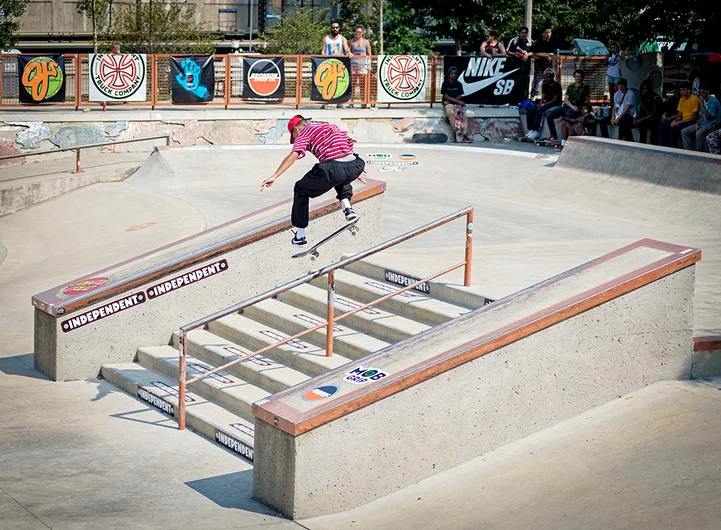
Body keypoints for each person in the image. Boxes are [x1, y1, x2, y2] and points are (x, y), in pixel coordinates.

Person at [260, 115, 367, 246]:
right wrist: (355, 171)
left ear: (296, 129)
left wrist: (275, 175)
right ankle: (348, 208)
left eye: (294, 135)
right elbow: (347, 145)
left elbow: (294, 154)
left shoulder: (303, 133)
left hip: (333, 168)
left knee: (300, 189)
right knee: (339, 174)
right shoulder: (329, 126)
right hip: (355, 164)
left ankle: (300, 236)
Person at [544, 69, 591, 141]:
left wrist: (590, 108)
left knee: (568, 116)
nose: (578, 78)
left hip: (577, 108)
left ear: (582, 77)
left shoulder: (585, 87)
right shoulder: (571, 87)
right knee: (549, 115)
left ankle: (566, 140)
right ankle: (553, 135)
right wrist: (572, 106)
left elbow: (587, 99)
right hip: (568, 106)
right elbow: (566, 99)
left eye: (579, 76)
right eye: (576, 76)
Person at [320, 20, 352, 109]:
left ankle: (339, 102)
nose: (335, 29)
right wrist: (323, 58)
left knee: (339, 83)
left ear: (339, 28)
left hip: (339, 64)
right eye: (333, 27)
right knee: (327, 83)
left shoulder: (342, 38)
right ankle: (326, 102)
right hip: (328, 64)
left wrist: (348, 52)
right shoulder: (326, 39)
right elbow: (323, 50)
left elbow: (346, 48)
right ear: (331, 28)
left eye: (336, 27)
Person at [658, 81, 700, 148]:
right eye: (681, 90)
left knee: (673, 130)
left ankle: (672, 148)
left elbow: (693, 118)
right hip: (682, 120)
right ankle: (663, 147)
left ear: (689, 90)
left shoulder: (694, 99)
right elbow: (679, 115)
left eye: (684, 90)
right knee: (662, 127)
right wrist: (675, 121)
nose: (682, 92)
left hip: (690, 122)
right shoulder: (681, 99)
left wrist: (679, 122)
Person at [524, 68, 562, 140]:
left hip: (554, 103)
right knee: (530, 109)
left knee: (540, 111)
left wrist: (544, 105)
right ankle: (531, 129)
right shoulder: (545, 84)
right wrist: (540, 104)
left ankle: (537, 130)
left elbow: (555, 99)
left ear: (552, 76)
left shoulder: (557, 85)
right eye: (546, 77)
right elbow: (543, 96)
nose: (547, 78)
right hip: (546, 103)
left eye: (549, 77)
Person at [681, 83, 720, 151]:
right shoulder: (703, 100)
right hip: (703, 123)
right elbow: (701, 116)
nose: (701, 94)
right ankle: (688, 151)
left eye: (703, 92)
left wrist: (702, 104)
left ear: (708, 92)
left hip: (712, 124)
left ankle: (700, 153)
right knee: (684, 131)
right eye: (700, 92)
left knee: (699, 133)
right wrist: (697, 123)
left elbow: (708, 117)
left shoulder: (713, 101)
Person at [441, 67, 473, 143]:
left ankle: (464, 134)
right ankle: (457, 132)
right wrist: (456, 101)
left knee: (464, 114)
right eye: (452, 73)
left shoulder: (459, 84)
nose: (453, 75)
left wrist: (454, 101)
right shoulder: (445, 83)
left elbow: (460, 95)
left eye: (455, 73)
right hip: (449, 104)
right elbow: (446, 96)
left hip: (454, 103)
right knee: (451, 113)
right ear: (449, 74)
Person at [633, 80, 663, 144]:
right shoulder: (643, 97)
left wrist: (640, 120)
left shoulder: (655, 97)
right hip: (646, 118)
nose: (645, 90)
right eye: (643, 89)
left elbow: (654, 114)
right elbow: (641, 111)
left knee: (648, 126)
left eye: (646, 88)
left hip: (655, 119)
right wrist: (636, 119)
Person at [349, 25, 372, 109]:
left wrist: (369, 65)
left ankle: (363, 102)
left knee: (363, 85)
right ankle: (351, 102)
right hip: (354, 65)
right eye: (356, 32)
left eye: (359, 32)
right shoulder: (351, 41)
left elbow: (369, 54)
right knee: (353, 84)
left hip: (362, 65)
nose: (357, 33)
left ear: (362, 33)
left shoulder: (366, 42)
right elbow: (348, 52)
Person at [530, 28, 555, 98]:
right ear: (543, 33)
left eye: (549, 32)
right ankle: (531, 99)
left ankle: (547, 99)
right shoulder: (538, 42)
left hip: (549, 67)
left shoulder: (552, 42)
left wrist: (549, 55)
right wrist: (547, 55)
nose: (548, 34)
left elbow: (553, 53)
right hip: (539, 67)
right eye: (546, 32)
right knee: (537, 84)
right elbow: (536, 53)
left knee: (550, 83)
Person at [100, 42, 121, 112]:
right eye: (113, 48)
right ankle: (105, 101)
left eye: (115, 48)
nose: (114, 50)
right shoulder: (110, 56)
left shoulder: (122, 56)